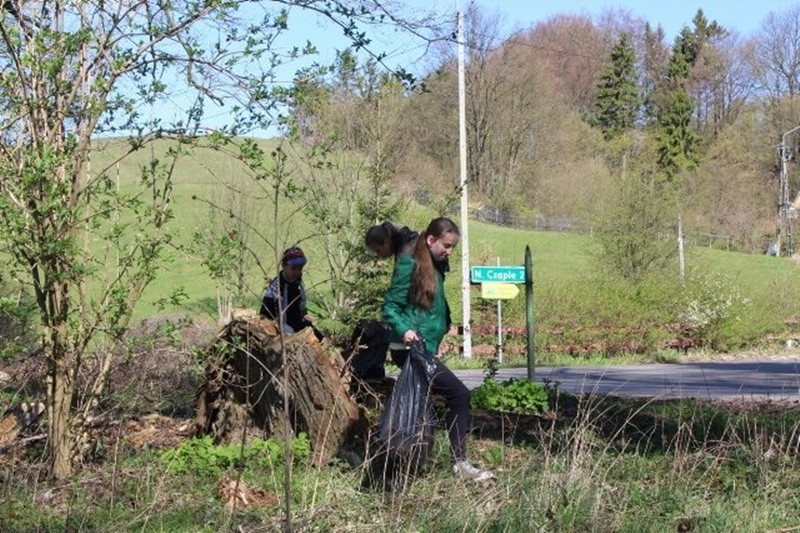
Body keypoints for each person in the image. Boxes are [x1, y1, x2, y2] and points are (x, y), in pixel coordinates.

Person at [382, 217, 493, 482]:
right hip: (410, 348)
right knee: (458, 395)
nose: (449, 251)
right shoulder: (410, 264)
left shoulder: (436, 265)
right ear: (430, 239)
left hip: (425, 348)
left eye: (453, 246)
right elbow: (390, 307)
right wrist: (405, 330)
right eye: (446, 245)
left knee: (421, 408)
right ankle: (459, 463)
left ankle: (400, 470)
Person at [260, 246, 323, 340]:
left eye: (300, 269)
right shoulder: (275, 288)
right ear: (284, 266)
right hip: (281, 329)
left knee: (321, 339)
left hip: (299, 323)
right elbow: (264, 316)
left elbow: (301, 304)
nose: (297, 272)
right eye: (293, 269)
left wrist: (305, 314)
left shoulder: (298, 282)